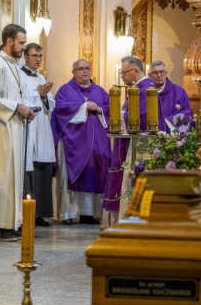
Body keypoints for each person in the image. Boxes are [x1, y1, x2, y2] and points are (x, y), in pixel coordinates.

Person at [0, 24, 35, 241]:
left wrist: (27, 109)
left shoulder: (14, 66)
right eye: (21, 43)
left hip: (16, 126)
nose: (24, 47)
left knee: (14, 177)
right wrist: (16, 107)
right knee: (3, 176)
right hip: (2, 129)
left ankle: (12, 222)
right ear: (9, 41)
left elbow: (19, 95)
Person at [51, 59, 110, 225]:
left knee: (94, 175)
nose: (84, 72)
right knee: (68, 176)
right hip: (72, 143)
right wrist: (83, 106)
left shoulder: (100, 91)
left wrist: (100, 110)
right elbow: (59, 108)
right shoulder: (65, 90)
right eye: (80, 69)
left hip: (96, 143)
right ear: (74, 72)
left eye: (87, 68)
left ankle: (89, 213)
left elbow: (110, 108)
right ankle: (68, 214)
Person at [103, 56, 156, 222]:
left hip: (137, 145)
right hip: (128, 142)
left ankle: (130, 218)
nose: (122, 77)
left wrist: (118, 115)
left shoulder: (146, 90)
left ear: (135, 71)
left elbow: (142, 119)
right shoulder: (138, 89)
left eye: (124, 73)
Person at [20, 43, 56, 227]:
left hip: (42, 126)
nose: (38, 59)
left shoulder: (41, 76)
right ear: (25, 56)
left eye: (40, 56)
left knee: (42, 169)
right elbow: (20, 101)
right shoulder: (19, 75)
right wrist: (38, 94)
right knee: (30, 168)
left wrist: (43, 96)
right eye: (35, 55)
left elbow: (51, 104)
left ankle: (40, 213)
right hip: (29, 126)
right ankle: (28, 213)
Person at [148, 60, 193, 131]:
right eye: (155, 73)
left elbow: (186, 113)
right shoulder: (145, 92)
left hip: (172, 134)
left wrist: (165, 121)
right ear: (149, 75)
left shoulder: (179, 92)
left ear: (166, 73)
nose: (159, 75)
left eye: (162, 72)